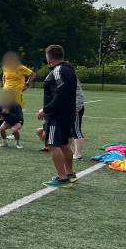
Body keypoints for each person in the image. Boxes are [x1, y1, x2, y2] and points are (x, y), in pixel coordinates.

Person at [37, 45, 78, 188]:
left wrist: (46, 109)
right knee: (63, 144)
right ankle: (70, 173)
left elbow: (61, 94)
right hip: (66, 113)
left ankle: (62, 178)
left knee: (53, 145)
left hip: (57, 115)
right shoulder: (68, 68)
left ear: (49, 57)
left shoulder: (59, 70)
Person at [0, 52, 36, 137]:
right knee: (2, 111)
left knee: (16, 112)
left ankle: (14, 133)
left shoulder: (21, 67)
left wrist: (27, 84)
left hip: (16, 93)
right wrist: (4, 86)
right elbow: (4, 76)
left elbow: (33, 74)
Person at [72, 78, 86, 160]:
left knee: (76, 130)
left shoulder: (72, 79)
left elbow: (79, 95)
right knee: (70, 130)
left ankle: (78, 154)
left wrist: (75, 109)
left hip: (75, 108)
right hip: (69, 108)